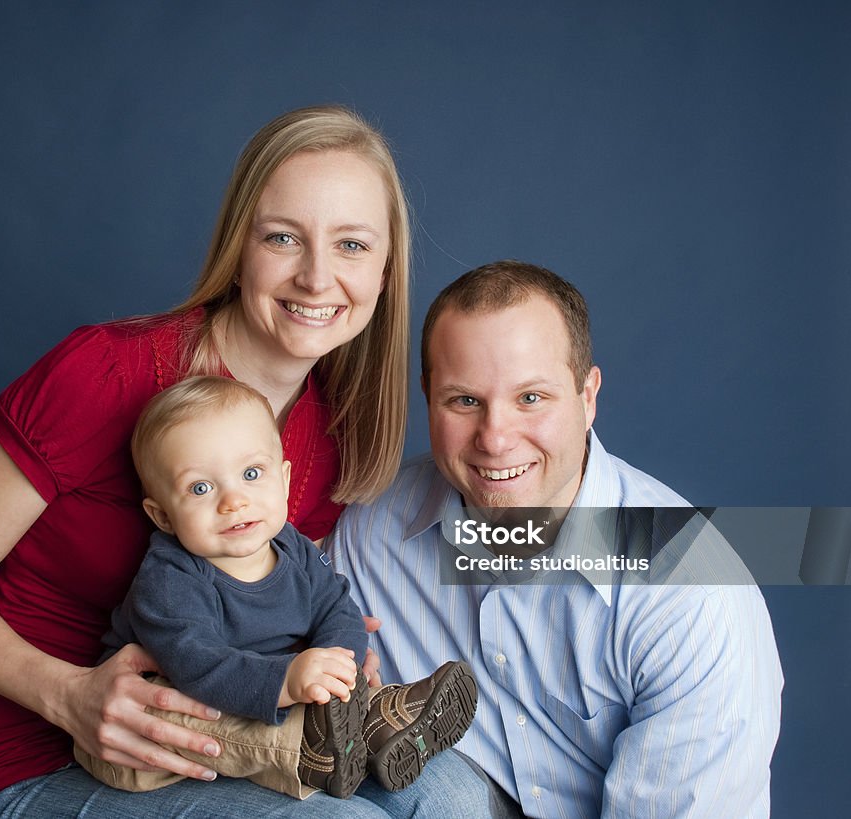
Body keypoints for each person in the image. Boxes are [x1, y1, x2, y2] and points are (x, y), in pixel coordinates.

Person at [0, 106, 493, 819]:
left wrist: (333, 656)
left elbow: (282, 593)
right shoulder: (103, 374)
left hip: (226, 733)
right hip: (41, 762)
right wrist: (71, 697)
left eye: (353, 245)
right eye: (282, 238)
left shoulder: (330, 427)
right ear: (240, 246)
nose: (317, 277)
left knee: (455, 792)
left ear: (386, 267)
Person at [328, 260, 785, 818]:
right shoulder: (372, 531)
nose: (495, 439)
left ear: (587, 396)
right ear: (427, 395)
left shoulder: (692, 590)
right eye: (464, 401)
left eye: (531, 398)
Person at [74, 375, 477, 800]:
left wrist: (341, 668)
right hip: (147, 730)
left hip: (265, 693)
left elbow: (337, 607)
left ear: (283, 480)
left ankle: (377, 722)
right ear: (163, 516)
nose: (233, 501)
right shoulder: (169, 580)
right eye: (200, 488)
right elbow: (202, 669)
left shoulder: (291, 546)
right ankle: (314, 750)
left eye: (251, 473)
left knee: (327, 689)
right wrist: (288, 680)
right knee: (192, 711)